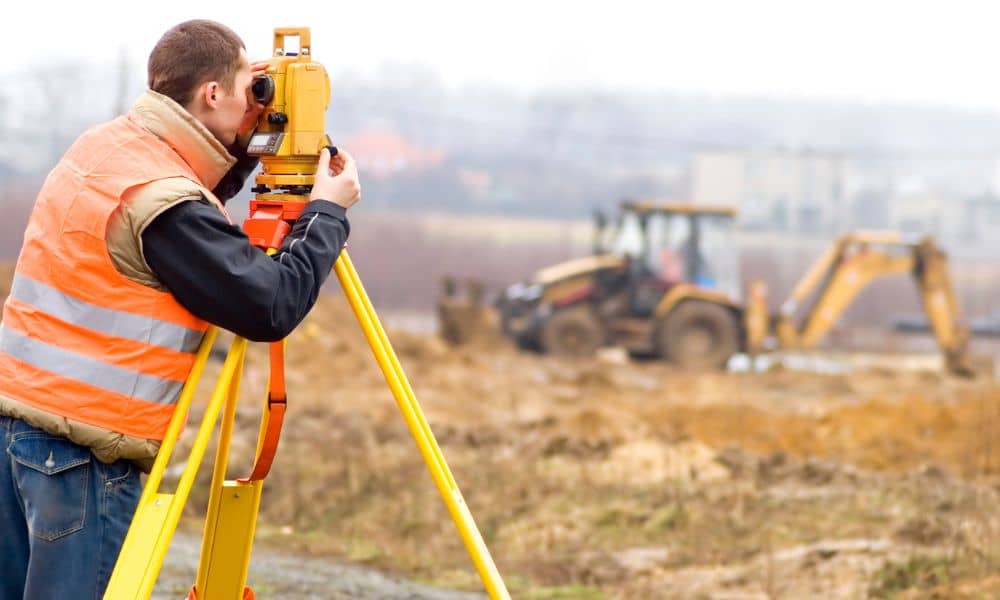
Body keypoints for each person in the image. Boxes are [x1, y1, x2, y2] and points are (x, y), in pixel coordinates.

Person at [0, 19, 360, 599]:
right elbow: (270, 304)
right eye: (249, 89)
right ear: (212, 94)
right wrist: (326, 214)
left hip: (18, 429)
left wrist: (244, 148)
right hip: (82, 457)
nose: (256, 103)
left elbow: (189, 201)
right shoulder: (165, 204)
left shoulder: (108, 146)